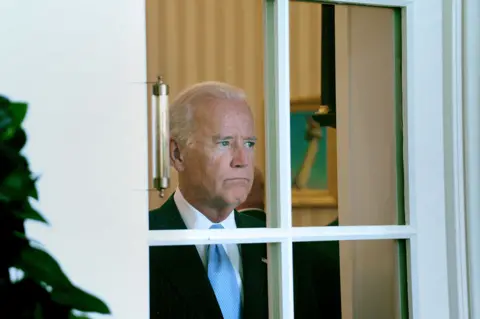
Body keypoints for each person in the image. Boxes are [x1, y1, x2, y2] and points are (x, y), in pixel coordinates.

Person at [148, 81, 335, 319]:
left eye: (249, 144)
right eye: (224, 143)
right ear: (177, 154)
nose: (242, 160)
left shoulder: (282, 246)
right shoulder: (142, 241)